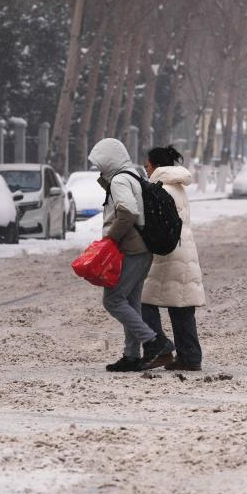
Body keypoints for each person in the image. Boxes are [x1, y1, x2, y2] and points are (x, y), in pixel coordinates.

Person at [89, 138, 175, 372]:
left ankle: (155, 341)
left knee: (113, 300)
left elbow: (127, 212)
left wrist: (110, 239)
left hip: (131, 249)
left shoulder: (119, 180)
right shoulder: (132, 175)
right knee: (131, 302)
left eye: (100, 163)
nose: (98, 168)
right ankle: (131, 355)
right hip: (142, 249)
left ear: (109, 160)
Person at [140, 145, 206, 371]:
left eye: (147, 165)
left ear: (155, 165)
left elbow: (156, 224)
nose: (146, 169)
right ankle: (190, 357)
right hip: (184, 252)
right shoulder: (177, 187)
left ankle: (161, 347)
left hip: (167, 255)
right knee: (181, 305)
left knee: (143, 301)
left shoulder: (161, 189)